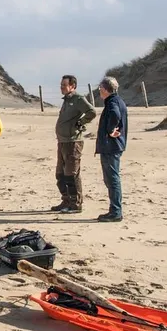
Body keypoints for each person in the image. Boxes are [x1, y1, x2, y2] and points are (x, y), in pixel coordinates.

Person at [52, 75, 96, 213]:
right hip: (62, 141)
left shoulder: (78, 99)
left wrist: (80, 123)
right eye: (61, 85)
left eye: (64, 85)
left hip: (73, 141)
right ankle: (66, 200)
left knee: (71, 174)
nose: (61, 87)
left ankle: (75, 203)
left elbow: (91, 112)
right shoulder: (66, 100)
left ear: (72, 86)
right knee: (60, 174)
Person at [95, 76, 128, 222]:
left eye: (100, 88)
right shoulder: (116, 100)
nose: (99, 91)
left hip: (111, 146)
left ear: (105, 89)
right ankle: (114, 210)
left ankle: (115, 211)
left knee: (112, 179)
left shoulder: (113, 102)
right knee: (111, 179)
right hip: (114, 146)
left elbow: (115, 114)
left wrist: (110, 130)